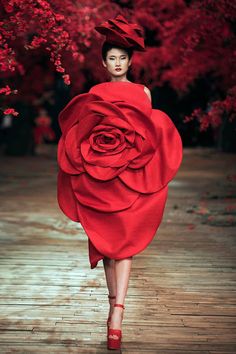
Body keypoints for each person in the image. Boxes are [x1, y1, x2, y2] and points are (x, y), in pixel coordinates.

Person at [57, 15, 183, 350]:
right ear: (103, 61)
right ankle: (113, 303)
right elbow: (81, 132)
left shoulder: (143, 92)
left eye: (122, 58)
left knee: (124, 246)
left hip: (130, 177)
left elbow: (149, 135)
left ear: (130, 61)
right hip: (98, 178)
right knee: (107, 247)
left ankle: (117, 314)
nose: (117, 63)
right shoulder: (95, 92)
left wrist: (151, 176)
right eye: (111, 58)